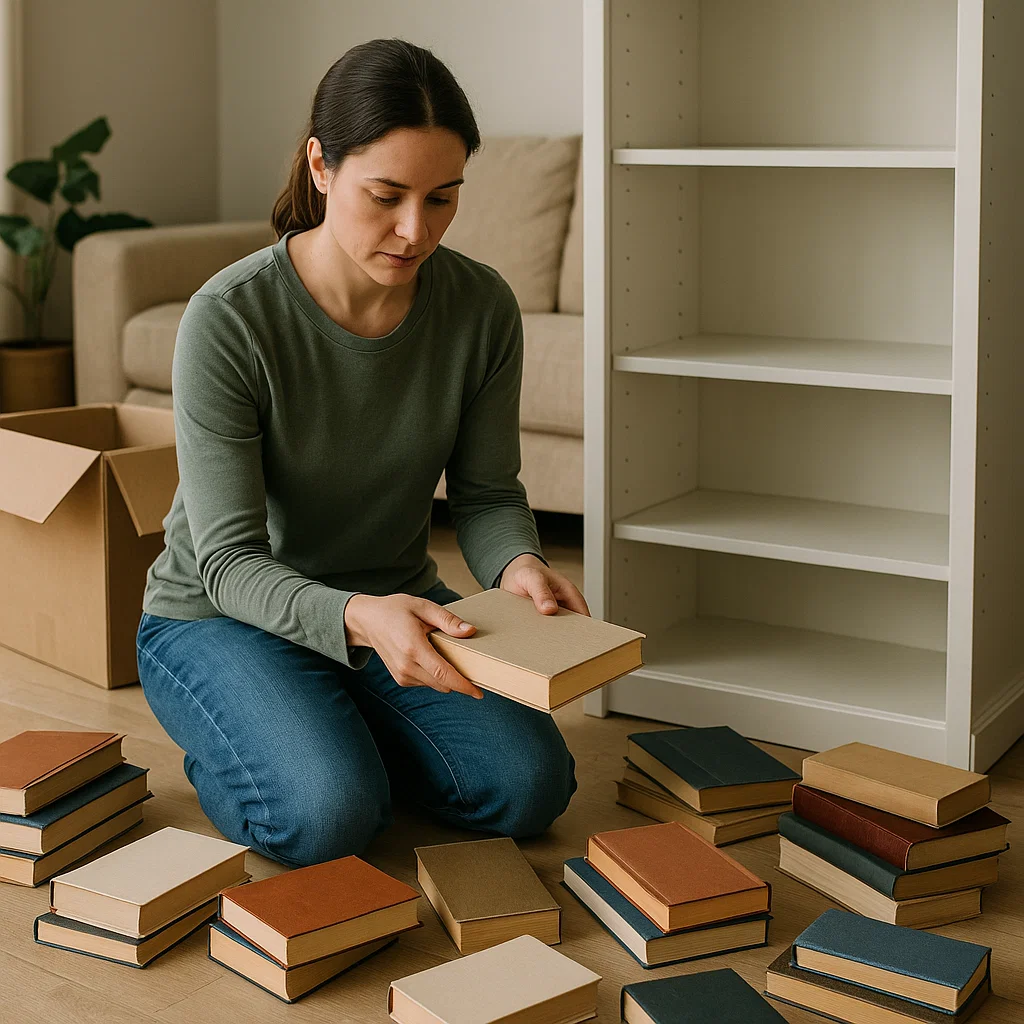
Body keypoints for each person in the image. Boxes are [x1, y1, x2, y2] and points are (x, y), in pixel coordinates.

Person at [135, 38, 587, 869]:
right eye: (386, 196)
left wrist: (518, 565)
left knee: (531, 787)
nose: (415, 231)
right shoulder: (229, 320)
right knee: (328, 818)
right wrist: (351, 621)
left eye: (443, 199)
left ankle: (339, 723)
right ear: (320, 167)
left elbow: (487, 494)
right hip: (221, 618)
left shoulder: (480, 306)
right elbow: (229, 563)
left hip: (394, 603)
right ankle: (270, 740)